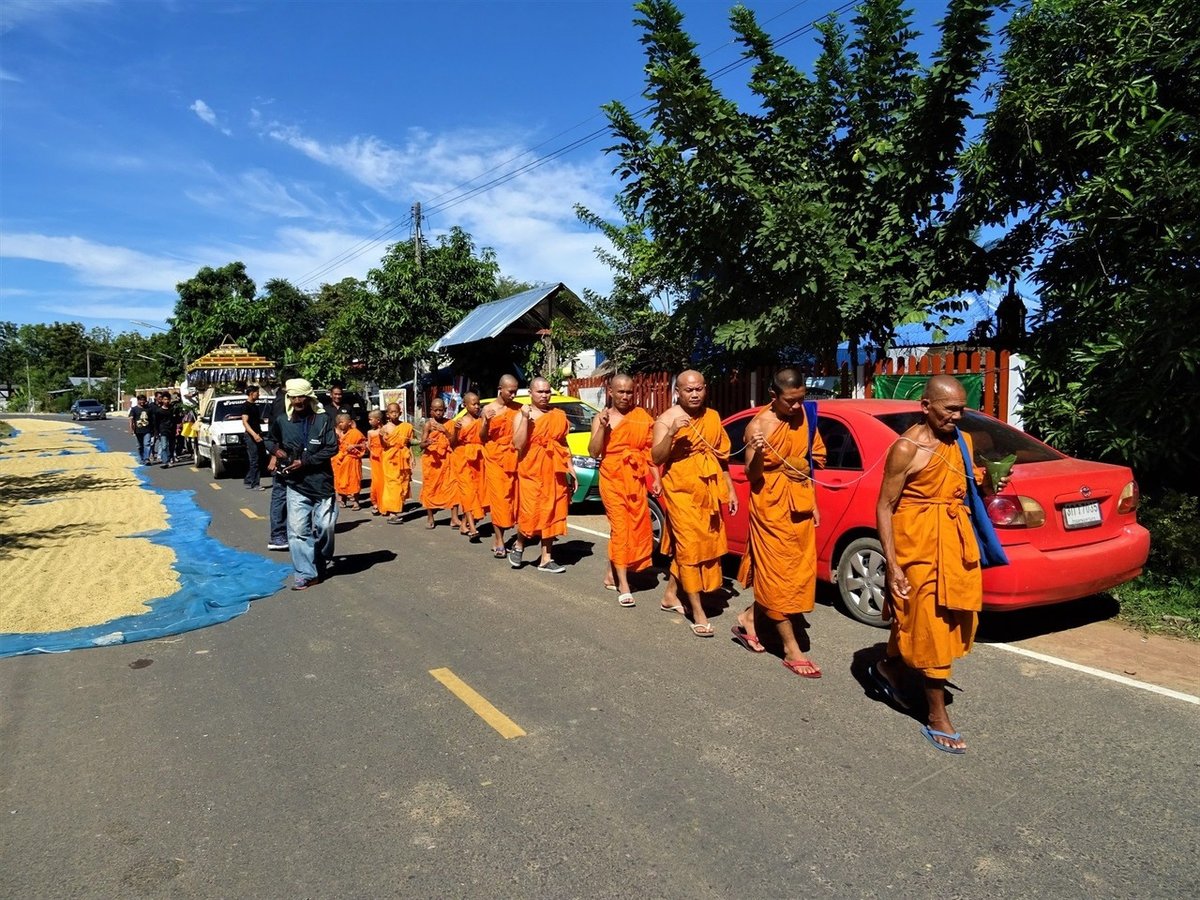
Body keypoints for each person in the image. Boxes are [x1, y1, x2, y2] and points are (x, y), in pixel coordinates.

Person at [872, 374, 1009, 753]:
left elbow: (965, 489)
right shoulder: (906, 448)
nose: (957, 416)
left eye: (962, 409)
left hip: (953, 542)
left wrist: (990, 484)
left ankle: (890, 667)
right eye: (950, 409)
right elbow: (884, 506)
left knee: (928, 620)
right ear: (926, 406)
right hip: (916, 544)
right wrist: (893, 565)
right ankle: (936, 715)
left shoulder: (961, 442)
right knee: (930, 624)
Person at [734, 368, 827, 676]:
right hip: (770, 507)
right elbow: (752, 475)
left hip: (799, 504)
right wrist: (759, 453)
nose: (797, 406)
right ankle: (791, 648)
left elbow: (813, 460)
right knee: (775, 575)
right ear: (773, 396)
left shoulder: (805, 417)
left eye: (801, 399)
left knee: (796, 572)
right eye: (791, 401)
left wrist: (813, 501)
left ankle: (749, 618)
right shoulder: (758, 426)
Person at [652, 370, 737, 637]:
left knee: (700, 545)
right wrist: (672, 434)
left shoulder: (712, 417)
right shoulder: (666, 419)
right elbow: (657, 457)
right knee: (689, 548)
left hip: (707, 491)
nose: (695, 394)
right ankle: (697, 611)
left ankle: (670, 596)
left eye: (699, 389)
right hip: (681, 492)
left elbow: (721, 457)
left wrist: (730, 490)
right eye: (689, 390)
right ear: (677, 392)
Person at [588, 374, 659, 606]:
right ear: (611, 392)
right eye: (621, 392)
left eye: (629, 392)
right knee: (620, 529)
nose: (626, 396)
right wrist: (602, 428)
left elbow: (649, 451)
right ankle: (624, 583)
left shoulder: (642, 417)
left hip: (635, 478)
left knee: (636, 526)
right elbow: (594, 452)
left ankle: (611, 575)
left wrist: (656, 479)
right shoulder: (602, 417)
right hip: (612, 478)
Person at [266, 378, 339, 590]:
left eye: (301, 397)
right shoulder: (282, 421)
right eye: (293, 397)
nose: (297, 401)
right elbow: (270, 440)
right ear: (289, 398)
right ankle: (305, 573)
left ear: (309, 398)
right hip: (296, 484)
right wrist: (277, 451)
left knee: (326, 526)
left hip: (322, 484)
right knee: (298, 531)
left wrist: (305, 461)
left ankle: (320, 557)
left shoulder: (323, 420)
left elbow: (332, 448)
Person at [510, 377, 576, 573]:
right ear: (530, 393)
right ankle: (519, 544)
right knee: (530, 512)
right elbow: (518, 444)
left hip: (554, 469)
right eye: (540, 392)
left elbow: (563, 443)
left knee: (553, 510)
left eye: (547, 391)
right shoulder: (522, 415)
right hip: (531, 470)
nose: (544, 395)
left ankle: (546, 558)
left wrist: (571, 468)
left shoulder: (558, 415)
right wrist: (524, 418)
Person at [480, 375, 522, 559]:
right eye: (510, 392)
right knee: (499, 499)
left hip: (514, 457)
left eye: (515, 391)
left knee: (513, 499)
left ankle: (515, 535)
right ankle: (499, 540)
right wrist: (486, 421)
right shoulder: (489, 409)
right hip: (495, 458)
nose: (513, 395)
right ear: (500, 389)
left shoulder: (519, 408)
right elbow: (482, 437)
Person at [450, 392, 485, 539]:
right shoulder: (460, 422)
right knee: (468, 492)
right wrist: (456, 430)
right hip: (462, 459)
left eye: (478, 404)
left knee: (477, 492)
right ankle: (473, 528)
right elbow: (452, 443)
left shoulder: (481, 420)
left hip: (478, 459)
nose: (477, 407)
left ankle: (464, 524)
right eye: (473, 404)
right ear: (465, 405)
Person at [419, 398, 457, 528]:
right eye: (436, 410)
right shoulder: (428, 425)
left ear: (445, 410)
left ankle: (454, 518)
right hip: (432, 462)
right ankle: (430, 517)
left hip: (447, 460)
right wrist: (427, 443)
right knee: (430, 488)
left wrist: (444, 431)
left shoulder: (450, 423)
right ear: (431, 411)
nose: (438, 413)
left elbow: (453, 442)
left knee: (452, 487)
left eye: (441, 410)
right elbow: (421, 445)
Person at [264, 382, 291, 551]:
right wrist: (274, 456)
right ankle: (278, 535)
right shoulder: (281, 403)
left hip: (299, 459)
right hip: (284, 458)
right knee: (280, 496)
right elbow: (274, 435)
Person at [378, 402, 414, 524]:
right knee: (393, 484)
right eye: (391, 412)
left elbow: (408, 443)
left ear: (400, 413)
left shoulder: (406, 427)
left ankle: (397, 507)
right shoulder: (384, 428)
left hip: (403, 457)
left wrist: (412, 457)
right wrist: (381, 437)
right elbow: (384, 445)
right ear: (387, 414)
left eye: (396, 412)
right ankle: (392, 513)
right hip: (390, 459)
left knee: (404, 482)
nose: (394, 414)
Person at [332, 413, 367, 509]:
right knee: (340, 481)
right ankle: (342, 500)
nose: (340, 424)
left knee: (353, 481)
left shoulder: (356, 433)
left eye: (342, 422)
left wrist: (355, 446)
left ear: (349, 423)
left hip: (352, 460)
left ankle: (355, 502)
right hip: (340, 460)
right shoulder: (337, 434)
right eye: (339, 423)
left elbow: (364, 446)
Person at [241, 385, 266, 489]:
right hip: (251, 436)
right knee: (254, 460)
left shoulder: (255, 406)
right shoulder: (246, 406)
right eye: (257, 393)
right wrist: (254, 435)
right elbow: (245, 422)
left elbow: (254, 420)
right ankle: (255, 484)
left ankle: (248, 480)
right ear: (251, 394)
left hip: (258, 434)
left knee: (260, 458)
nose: (259, 394)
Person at [365, 409, 385, 515]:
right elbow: (369, 445)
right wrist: (371, 450)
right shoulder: (370, 432)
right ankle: (376, 503)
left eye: (371, 419)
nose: (369, 421)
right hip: (375, 458)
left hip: (384, 457)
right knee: (376, 481)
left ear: (378, 420)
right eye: (369, 420)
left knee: (385, 481)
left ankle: (385, 504)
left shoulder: (385, 430)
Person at [156, 391, 180, 468]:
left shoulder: (173, 409)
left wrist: (177, 429)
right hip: (163, 430)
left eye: (168, 399)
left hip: (172, 430)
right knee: (164, 446)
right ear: (162, 400)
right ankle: (165, 461)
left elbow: (177, 420)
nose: (166, 401)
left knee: (171, 447)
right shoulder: (159, 411)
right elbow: (156, 422)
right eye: (165, 399)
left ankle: (169, 459)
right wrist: (157, 432)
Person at [128, 395, 151, 463]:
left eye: (143, 400)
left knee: (147, 444)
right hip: (138, 430)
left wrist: (154, 430)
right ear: (138, 401)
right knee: (140, 446)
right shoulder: (134, 409)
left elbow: (152, 419)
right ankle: (142, 457)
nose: (142, 402)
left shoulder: (148, 409)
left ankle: (147, 458)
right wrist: (131, 429)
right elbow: (131, 419)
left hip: (147, 430)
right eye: (141, 400)